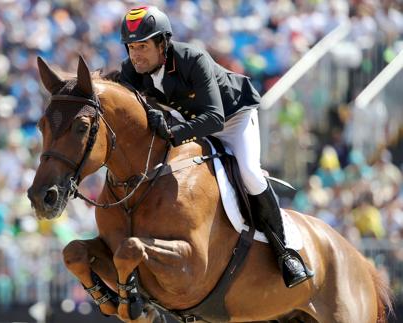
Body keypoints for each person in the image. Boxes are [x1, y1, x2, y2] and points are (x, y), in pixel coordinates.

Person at [118, 6, 313, 288]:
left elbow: (213, 117)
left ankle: (286, 253)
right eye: (131, 47)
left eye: (142, 46)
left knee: (249, 173)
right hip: (187, 120)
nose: (135, 55)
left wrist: (173, 132)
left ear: (163, 43)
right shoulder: (131, 71)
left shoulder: (191, 59)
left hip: (232, 118)